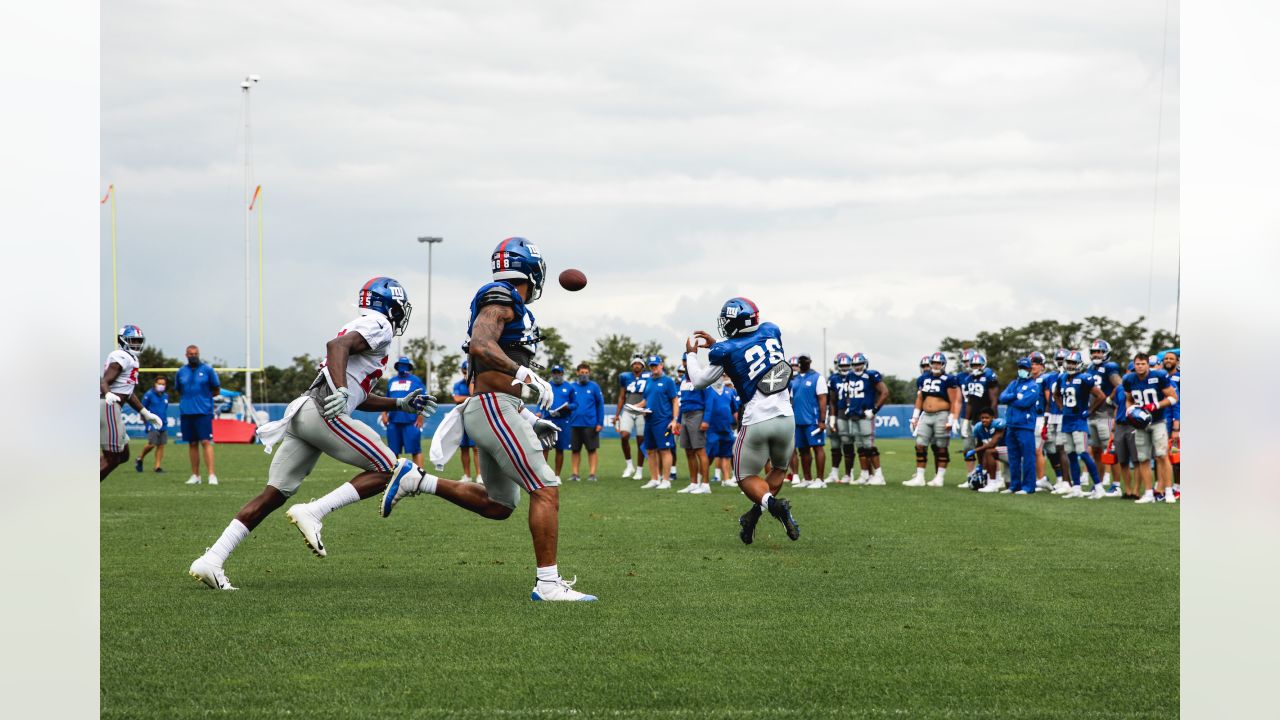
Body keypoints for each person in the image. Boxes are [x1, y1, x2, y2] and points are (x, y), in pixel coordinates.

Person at [188, 277, 438, 590]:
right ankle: (314, 511)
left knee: (273, 495)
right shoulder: (379, 323)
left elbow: (356, 393)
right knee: (390, 468)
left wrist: (399, 403)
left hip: (306, 410)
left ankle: (212, 559)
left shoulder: (363, 328)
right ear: (389, 305)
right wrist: (344, 391)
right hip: (322, 413)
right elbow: (337, 348)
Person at [381, 237, 597, 600]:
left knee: (499, 505)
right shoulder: (500, 297)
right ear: (531, 269)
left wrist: (526, 414)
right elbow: (482, 345)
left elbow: (481, 366)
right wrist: (524, 374)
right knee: (545, 488)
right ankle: (547, 585)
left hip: (498, 408)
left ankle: (418, 481)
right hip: (494, 408)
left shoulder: (509, 305)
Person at [684, 297, 800, 544]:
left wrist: (691, 355)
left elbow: (699, 381)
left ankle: (774, 506)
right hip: (787, 417)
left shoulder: (725, 351)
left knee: (745, 477)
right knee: (779, 468)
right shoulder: (771, 330)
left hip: (757, 419)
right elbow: (749, 354)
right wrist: (719, 345)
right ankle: (753, 517)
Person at [101, 325, 164, 480]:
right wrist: (108, 393)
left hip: (114, 409)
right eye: (132, 340)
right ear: (122, 341)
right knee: (112, 458)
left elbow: (128, 393)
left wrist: (146, 413)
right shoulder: (120, 355)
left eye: (138, 341)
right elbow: (104, 380)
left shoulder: (132, 359)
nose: (136, 344)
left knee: (123, 455)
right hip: (108, 406)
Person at [1122, 353, 1179, 504]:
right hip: (1140, 424)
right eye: (1137, 364)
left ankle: (1168, 491)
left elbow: (1173, 398)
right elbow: (1129, 399)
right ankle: (1148, 493)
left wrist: (1156, 405)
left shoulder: (1159, 376)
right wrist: (1130, 411)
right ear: (1134, 365)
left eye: (1142, 364)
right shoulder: (1128, 379)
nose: (1140, 366)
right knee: (1143, 458)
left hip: (1158, 421)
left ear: (1148, 364)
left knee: (1162, 455)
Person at [1053, 351, 1108, 499]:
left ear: (1079, 364)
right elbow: (1056, 394)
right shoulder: (1062, 377)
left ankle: (1098, 486)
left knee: (1083, 453)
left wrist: (1089, 411)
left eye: (1073, 362)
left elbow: (1101, 396)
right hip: (1066, 421)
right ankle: (1076, 487)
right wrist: (1060, 407)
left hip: (1079, 421)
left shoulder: (1084, 378)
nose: (1070, 365)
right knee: (1070, 455)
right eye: (1068, 362)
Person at [906, 352, 960, 487]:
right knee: (920, 445)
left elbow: (955, 401)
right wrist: (915, 417)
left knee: (941, 446)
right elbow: (919, 398)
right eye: (934, 363)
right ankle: (919, 477)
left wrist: (953, 418)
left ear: (943, 364)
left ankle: (939, 477)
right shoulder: (923, 378)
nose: (936, 365)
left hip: (942, 414)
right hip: (926, 415)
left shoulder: (949, 379)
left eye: (939, 363)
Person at [840, 352, 889, 486]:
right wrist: (850, 406)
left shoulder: (871, 375)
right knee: (860, 447)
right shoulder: (849, 376)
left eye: (860, 364)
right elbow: (849, 394)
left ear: (865, 363)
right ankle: (864, 474)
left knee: (869, 446)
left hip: (865, 415)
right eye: (855, 364)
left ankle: (879, 475)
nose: (857, 367)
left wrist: (874, 410)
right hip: (854, 414)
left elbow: (885, 392)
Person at [175, 344, 221, 486]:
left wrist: (204, 398)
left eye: (195, 353)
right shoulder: (181, 372)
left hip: (203, 412)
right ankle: (195, 475)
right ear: (186, 355)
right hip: (187, 412)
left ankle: (211, 475)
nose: (193, 356)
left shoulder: (207, 370)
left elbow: (216, 389)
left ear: (198, 354)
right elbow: (178, 390)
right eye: (190, 353)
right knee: (192, 443)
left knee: (206, 442)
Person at [998, 357, 1040, 494]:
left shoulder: (1034, 386)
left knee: (1028, 457)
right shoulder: (1013, 384)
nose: (1022, 370)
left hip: (1025, 425)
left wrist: (1011, 399)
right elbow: (1002, 397)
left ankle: (1028, 486)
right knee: (1013, 457)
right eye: (1020, 368)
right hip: (1011, 424)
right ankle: (1014, 485)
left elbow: (1025, 403)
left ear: (1030, 370)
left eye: (1025, 368)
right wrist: (1016, 396)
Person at [1087, 339, 1124, 491]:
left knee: (1110, 449)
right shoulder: (1089, 368)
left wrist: (1110, 398)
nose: (1097, 354)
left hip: (1106, 414)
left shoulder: (1110, 367)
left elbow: (1120, 385)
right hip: (1092, 414)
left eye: (1100, 351)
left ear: (1106, 353)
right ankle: (1099, 483)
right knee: (1096, 450)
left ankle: (1116, 485)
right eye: (1094, 351)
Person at [639, 356, 680, 490]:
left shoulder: (668, 381)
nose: (654, 368)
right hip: (649, 420)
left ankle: (666, 480)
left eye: (656, 365)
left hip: (663, 421)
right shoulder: (648, 381)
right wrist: (635, 407)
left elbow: (675, 401)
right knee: (650, 450)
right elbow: (646, 400)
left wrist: (674, 420)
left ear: (661, 365)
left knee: (664, 450)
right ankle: (654, 479)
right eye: (652, 366)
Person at [789, 352, 828, 489]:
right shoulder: (795, 379)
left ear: (810, 361)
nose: (803, 362)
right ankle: (807, 479)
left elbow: (823, 400)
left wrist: (822, 420)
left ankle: (820, 479)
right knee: (803, 451)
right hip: (798, 421)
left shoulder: (818, 378)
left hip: (813, 421)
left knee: (818, 448)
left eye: (805, 360)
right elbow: (792, 400)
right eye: (801, 360)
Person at [958, 353, 1000, 482]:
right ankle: (982, 475)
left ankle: (997, 477)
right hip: (976, 418)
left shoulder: (989, 376)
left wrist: (993, 419)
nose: (975, 367)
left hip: (987, 417)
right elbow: (969, 402)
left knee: (990, 448)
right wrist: (966, 420)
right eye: (973, 365)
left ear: (983, 365)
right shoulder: (969, 378)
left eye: (978, 365)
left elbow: (994, 400)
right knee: (979, 447)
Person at [381, 356, 426, 467]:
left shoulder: (416, 380)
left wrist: (420, 416)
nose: (403, 367)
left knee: (416, 450)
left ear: (409, 367)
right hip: (394, 422)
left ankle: (421, 475)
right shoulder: (391, 381)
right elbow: (386, 399)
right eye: (401, 365)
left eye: (405, 365)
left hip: (410, 421)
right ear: (397, 366)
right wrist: (384, 413)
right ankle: (395, 475)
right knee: (393, 452)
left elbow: (423, 398)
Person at [676, 360, 712, 494]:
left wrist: (706, 420)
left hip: (697, 415)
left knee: (700, 450)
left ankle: (706, 485)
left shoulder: (702, 379)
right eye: (685, 363)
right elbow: (682, 403)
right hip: (685, 415)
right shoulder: (683, 381)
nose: (686, 365)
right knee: (689, 451)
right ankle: (693, 483)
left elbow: (709, 400)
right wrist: (678, 421)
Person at [567, 362, 605, 483]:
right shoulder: (571, 387)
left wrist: (600, 422)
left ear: (589, 374)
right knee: (575, 450)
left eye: (586, 373)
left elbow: (600, 405)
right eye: (582, 373)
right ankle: (575, 474)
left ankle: (592, 474)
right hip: (574, 423)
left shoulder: (594, 387)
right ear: (577, 373)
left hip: (590, 424)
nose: (584, 375)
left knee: (592, 450)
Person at [615, 354, 650, 480]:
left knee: (641, 441)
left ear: (643, 366)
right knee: (624, 436)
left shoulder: (648, 377)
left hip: (641, 411)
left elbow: (650, 393)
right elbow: (622, 396)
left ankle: (639, 469)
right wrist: (617, 415)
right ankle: (629, 465)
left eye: (639, 363)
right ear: (631, 365)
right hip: (628, 409)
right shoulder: (625, 377)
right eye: (634, 363)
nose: (636, 365)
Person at [541, 365, 576, 481]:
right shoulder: (546, 386)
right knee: (545, 447)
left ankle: (557, 476)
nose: (556, 375)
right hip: (548, 420)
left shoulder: (569, 387)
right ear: (552, 374)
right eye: (554, 373)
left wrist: (568, 407)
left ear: (562, 374)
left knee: (559, 449)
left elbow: (575, 404)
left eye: (559, 373)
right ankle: (543, 475)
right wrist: (538, 412)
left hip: (562, 421)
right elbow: (540, 403)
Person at [705, 375, 740, 487]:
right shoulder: (707, 390)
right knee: (708, 456)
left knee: (726, 455)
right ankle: (702, 479)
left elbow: (735, 411)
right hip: (712, 429)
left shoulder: (729, 391)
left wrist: (741, 424)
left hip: (726, 428)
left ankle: (726, 479)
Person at [451, 361, 481, 483]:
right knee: (464, 448)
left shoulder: (478, 383)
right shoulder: (458, 384)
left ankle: (480, 475)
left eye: (468, 371)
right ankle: (467, 475)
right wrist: (471, 398)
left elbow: (476, 396)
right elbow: (456, 399)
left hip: (475, 418)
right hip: (461, 419)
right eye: (465, 370)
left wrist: (470, 396)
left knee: (476, 448)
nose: (466, 373)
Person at [966, 408, 1008, 493]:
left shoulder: (998, 424)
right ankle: (995, 481)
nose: (984, 420)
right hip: (999, 453)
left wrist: (974, 450)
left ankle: (992, 484)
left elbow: (992, 444)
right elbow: (980, 445)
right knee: (1009, 484)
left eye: (987, 418)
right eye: (982, 418)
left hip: (1011, 451)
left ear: (992, 417)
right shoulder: (979, 428)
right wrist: (980, 464)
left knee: (989, 452)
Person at [136, 376, 170, 473]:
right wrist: (146, 422)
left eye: (163, 384)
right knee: (152, 444)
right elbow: (142, 409)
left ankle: (157, 466)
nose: (161, 386)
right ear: (155, 384)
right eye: (159, 383)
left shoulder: (166, 396)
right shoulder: (149, 395)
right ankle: (140, 458)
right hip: (152, 423)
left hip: (163, 423)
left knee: (161, 445)